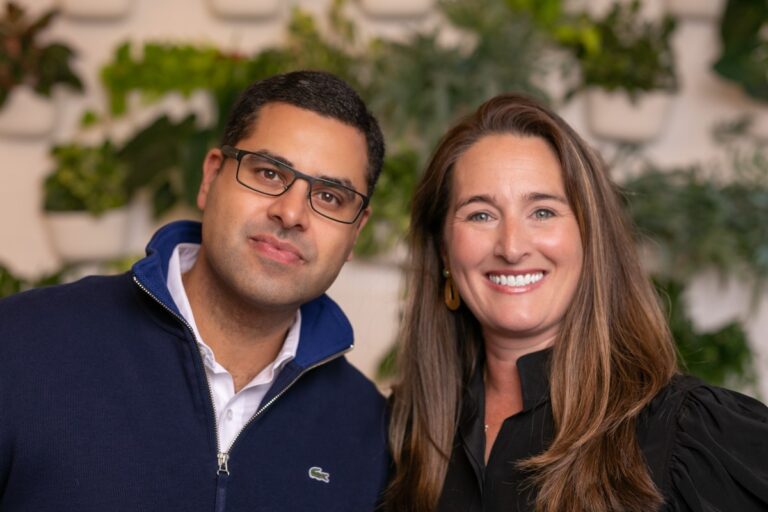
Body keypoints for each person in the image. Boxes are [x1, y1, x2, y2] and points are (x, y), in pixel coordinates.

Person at [0, 70, 389, 511]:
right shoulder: (20, 344)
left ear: (356, 233)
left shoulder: (371, 436)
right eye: (268, 173)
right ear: (210, 177)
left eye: (330, 197)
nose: (291, 213)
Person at [385, 93, 768, 511]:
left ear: (590, 237)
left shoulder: (686, 434)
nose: (511, 247)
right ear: (444, 250)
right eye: (481, 214)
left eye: (542, 212)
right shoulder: (400, 434)